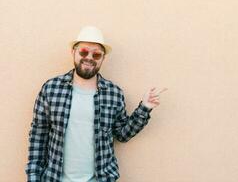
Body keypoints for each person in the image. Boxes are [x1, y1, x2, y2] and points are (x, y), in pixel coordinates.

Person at [25, 26, 167, 182]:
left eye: (97, 54)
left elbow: (122, 134)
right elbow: (39, 135)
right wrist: (33, 177)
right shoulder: (51, 88)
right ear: (73, 52)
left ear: (103, 58)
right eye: (84, 52)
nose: (89, 58)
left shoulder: (113, 93)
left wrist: (144, 108)